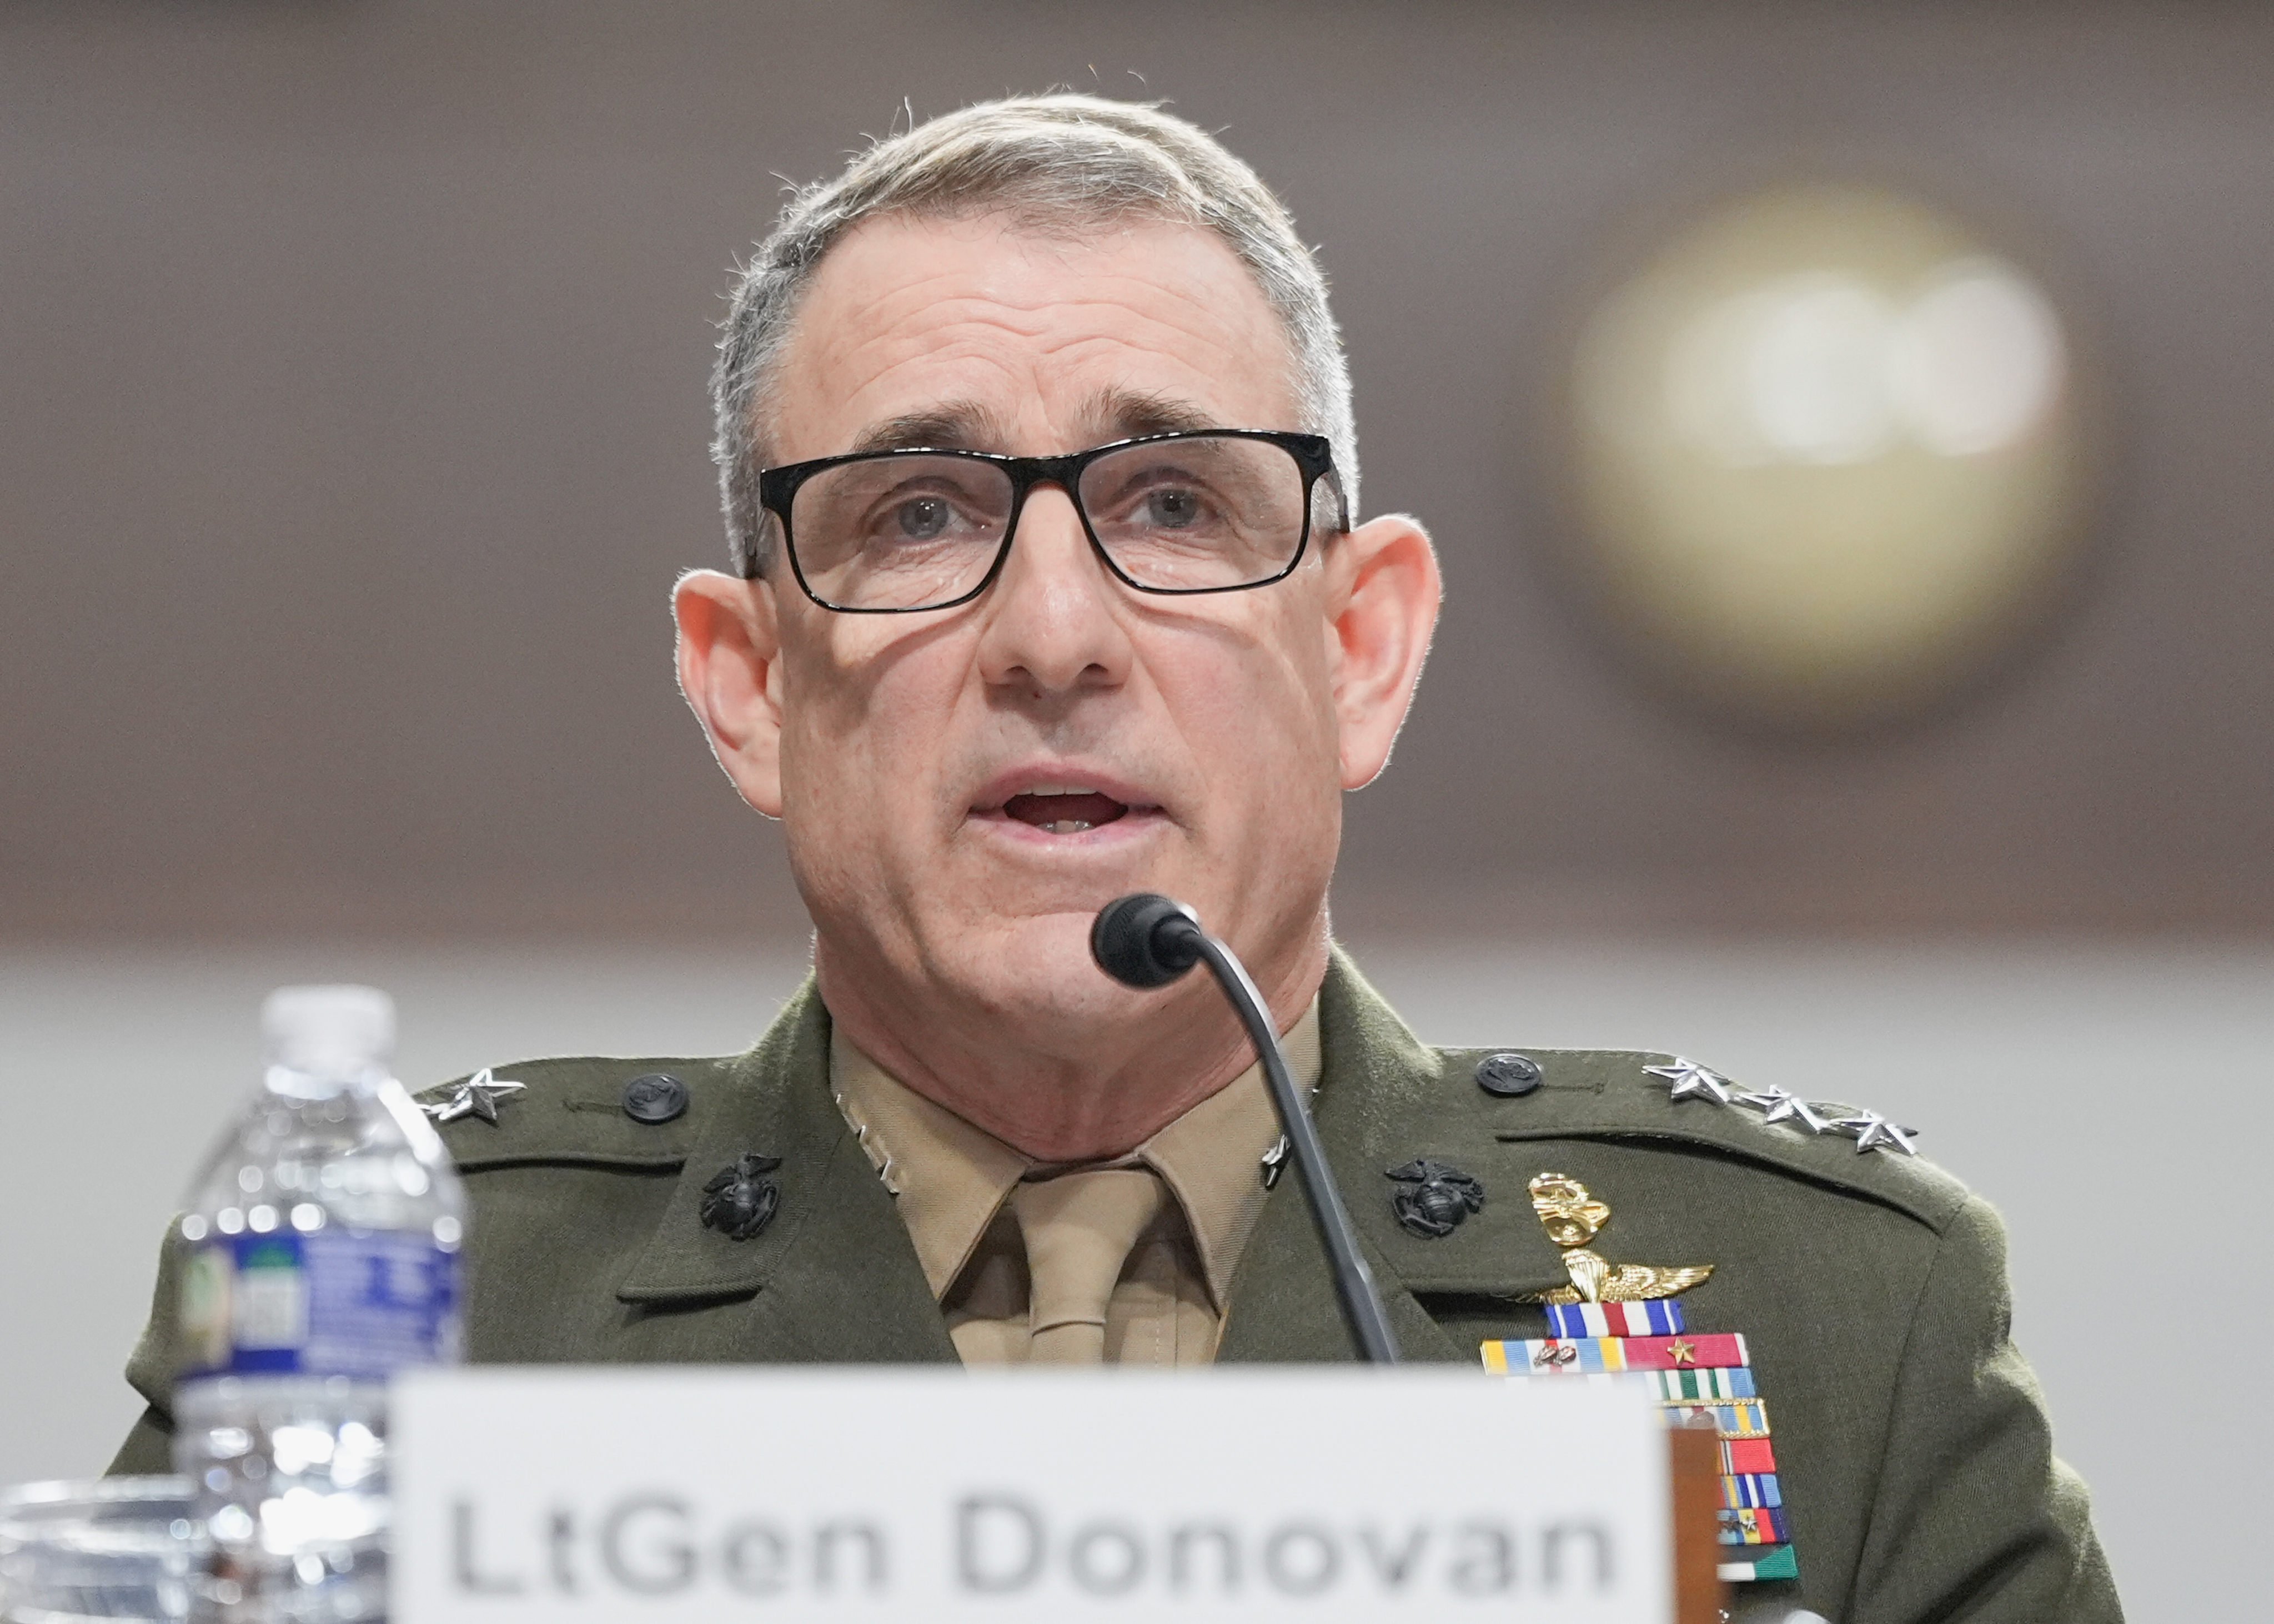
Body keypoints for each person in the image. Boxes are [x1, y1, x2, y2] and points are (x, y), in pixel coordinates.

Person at [109, 94, 2120, 1622]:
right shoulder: (403, 1326)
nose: (1053, 633)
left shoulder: (1830, 1320)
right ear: (744, 685)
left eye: (1171, 501)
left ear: (1362, 648)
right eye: (913, 513)